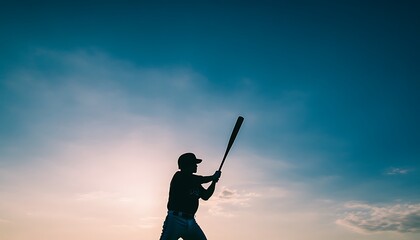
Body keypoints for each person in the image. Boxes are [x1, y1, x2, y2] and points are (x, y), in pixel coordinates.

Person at [159, 152, 221, 240]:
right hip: (175, 220)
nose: (196, 166)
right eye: (194, 163)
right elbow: (199, 179)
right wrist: (213, 177)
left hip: (191, 221)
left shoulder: (196, 182)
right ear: (187, 165)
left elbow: (206, 196)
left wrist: (214, 182)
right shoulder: (179, 176)